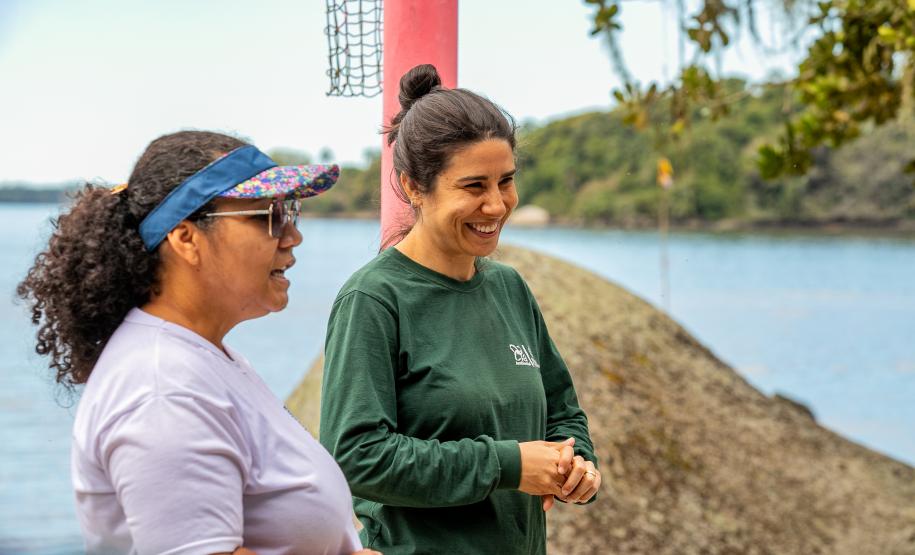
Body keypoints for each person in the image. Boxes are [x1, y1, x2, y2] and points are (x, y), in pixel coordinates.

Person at [17, 131, 379, 555]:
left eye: (291, 211)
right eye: (268, 215)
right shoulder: (162, 389)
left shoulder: (202, 356)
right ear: (186, 238)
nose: (291, 235)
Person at [319, 65, 601, 554]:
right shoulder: (374, 300)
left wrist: (578, 466)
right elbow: (355, 456)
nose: (496, 205)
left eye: (506, 182)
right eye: (473, 187)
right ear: (413, 187)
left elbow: (562, 412)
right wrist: (507, 465)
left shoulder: (509, 287)